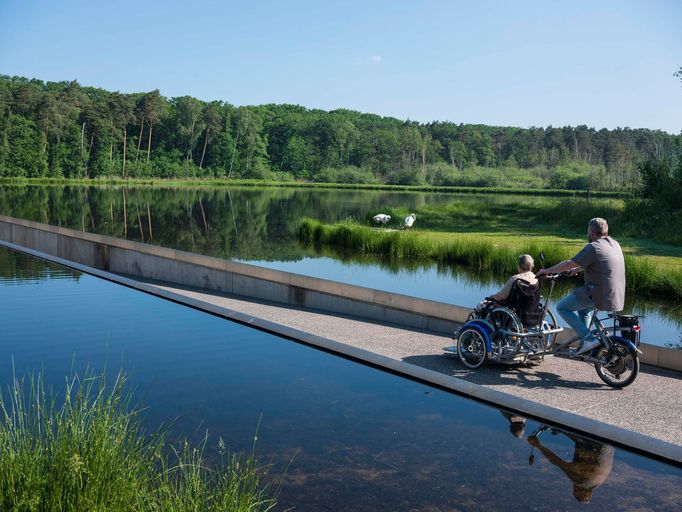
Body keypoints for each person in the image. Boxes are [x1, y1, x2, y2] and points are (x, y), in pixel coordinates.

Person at [537, 218, 624, 354]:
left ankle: (589, 339)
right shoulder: (614, 244)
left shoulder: (594, 247)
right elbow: (600, 263)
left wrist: (546, 271)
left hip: (597, 293)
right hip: (614, 293)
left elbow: (569, 263)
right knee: (584, 312)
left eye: (588, 232)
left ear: (591, 233)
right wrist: (577, 270)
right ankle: (585, 347)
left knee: (562, 307)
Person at [527, 431, 614, 503]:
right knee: (561, 425)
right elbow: (556, 461)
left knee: (562, 430)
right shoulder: (581, 480)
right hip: (594, 442)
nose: (572, 487)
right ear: (577, 492)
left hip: (607, 443)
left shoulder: (595, 484)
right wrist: (538, 445)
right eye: (574, 491)